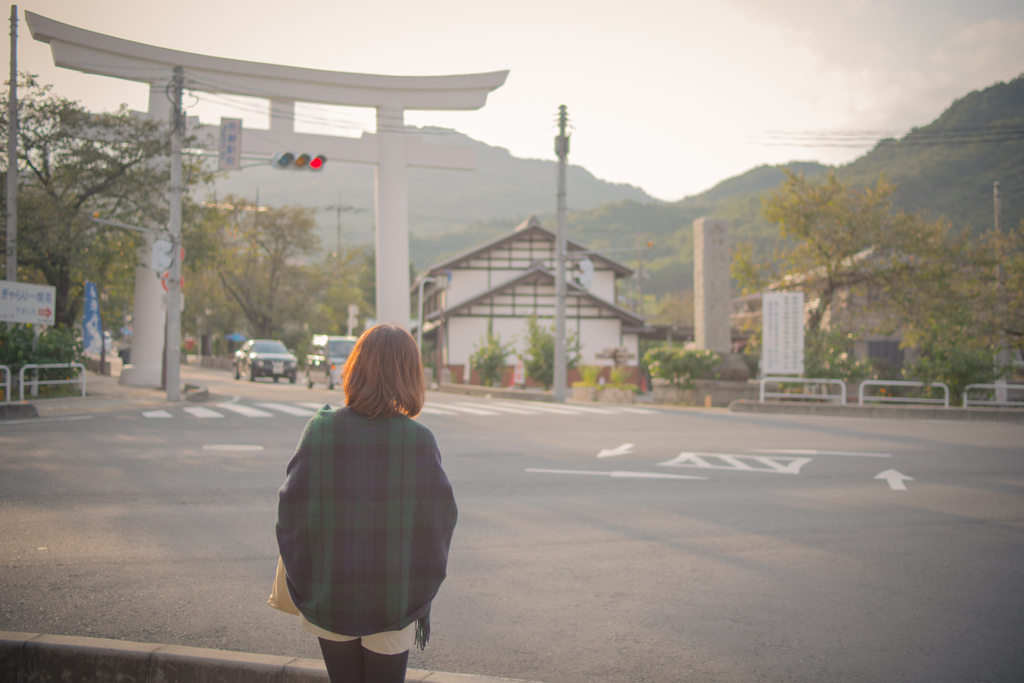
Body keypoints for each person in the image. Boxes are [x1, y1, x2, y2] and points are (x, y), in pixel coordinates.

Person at [277, 323, 458, 683]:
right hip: (394, 593)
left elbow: (291, 510)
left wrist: (309, 573)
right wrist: (416, 582)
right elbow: (439, 519)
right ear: (409, 374)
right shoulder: (419, 440)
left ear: (355, 367)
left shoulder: (321, 429)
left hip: (331, 589)